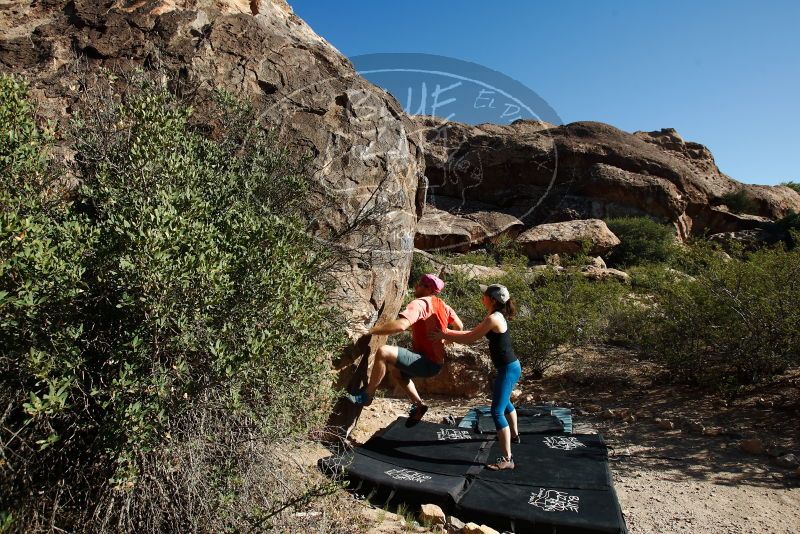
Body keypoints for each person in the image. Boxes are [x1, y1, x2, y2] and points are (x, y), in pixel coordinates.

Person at [345, 273, 463, 422]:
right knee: (397, 372)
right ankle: (419, 405)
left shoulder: (420, 304)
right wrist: (445, 338)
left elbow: (401, 326)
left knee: (384, 351)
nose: (416, 286)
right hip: (435, 364)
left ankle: (366, 396)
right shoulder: (444, 306)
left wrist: (370, 330)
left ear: (426, 288)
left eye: (419, 284)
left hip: (426, 362)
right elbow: (459, 326)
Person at [429, 283, 520, 470]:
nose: (482, 297)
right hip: (508, 367)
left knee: (496, 411)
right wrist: (447, 335)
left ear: (492, 300)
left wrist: (444, 334)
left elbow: (471, 337)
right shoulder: (494, 315)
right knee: (505, 403)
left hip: (508, 369)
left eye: (485, 295)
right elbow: (470, 333)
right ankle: (515, 435)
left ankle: (507, 459)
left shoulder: (494, 318)